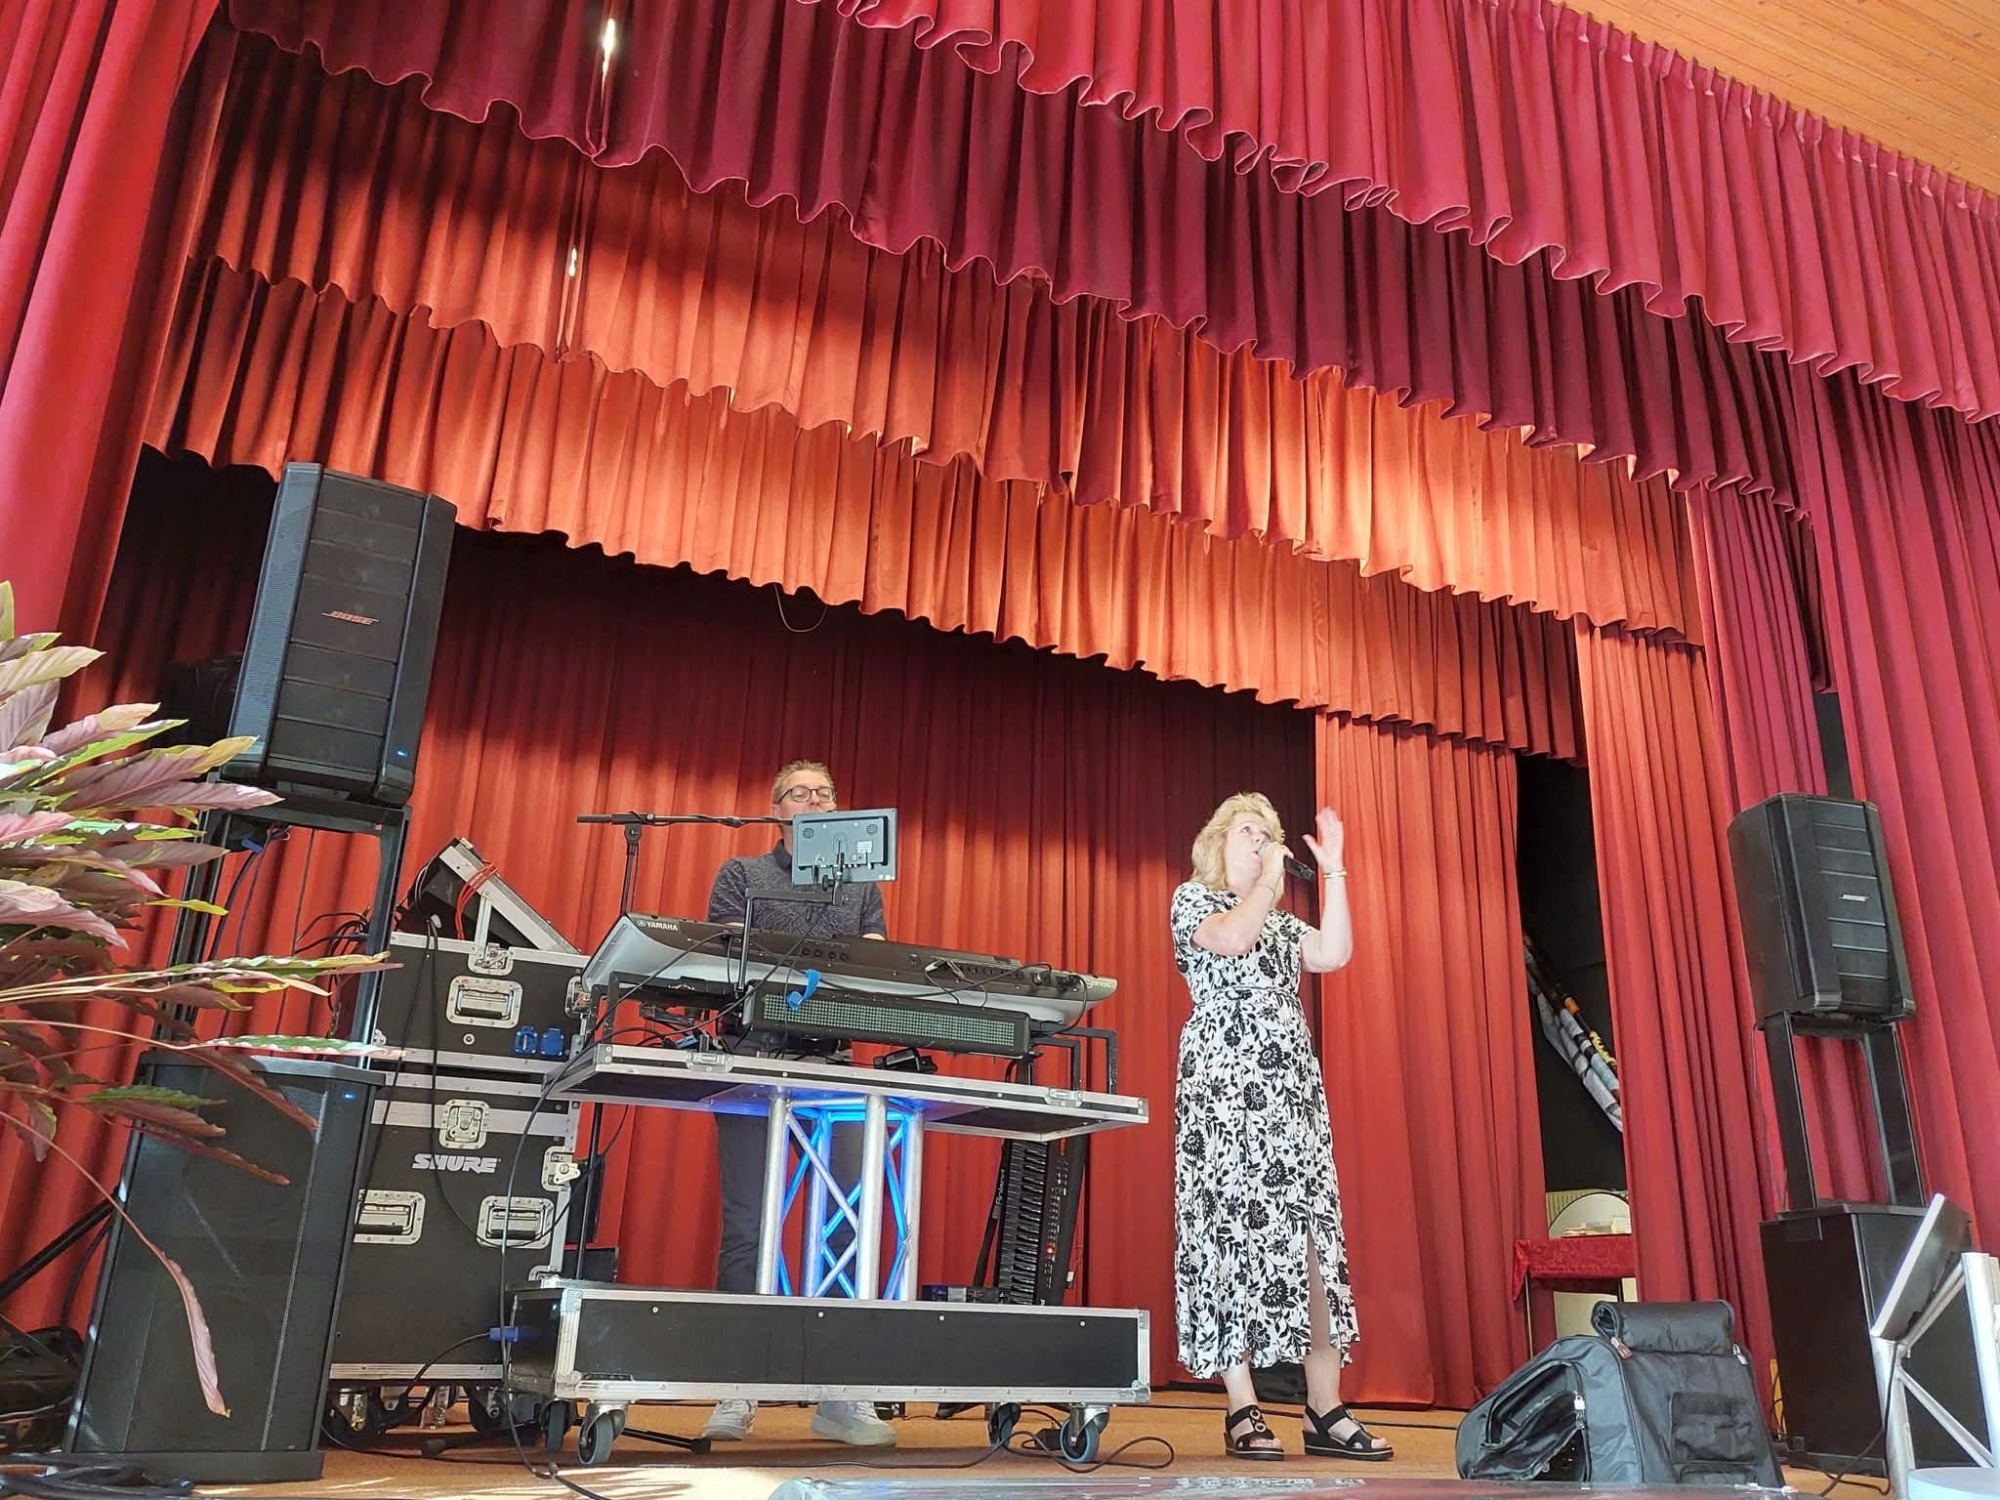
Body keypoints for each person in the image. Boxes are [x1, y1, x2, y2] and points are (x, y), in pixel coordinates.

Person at [1169, 793, 1392, 1463]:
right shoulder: (1194, 902)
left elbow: (1335, 952)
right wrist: (1268, 881)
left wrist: (1336, 870)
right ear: (1218, 844)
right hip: (1223, 1093)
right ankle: (1242, 1407)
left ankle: (1325, 1409)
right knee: (1225, 1233)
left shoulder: (1283, 923)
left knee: (1311, 1238)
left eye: (1268, 834)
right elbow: (1234, 939)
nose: (1262, 841)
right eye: (1248, 831)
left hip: (1290, 1096)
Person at [697, 760, 896, 1448]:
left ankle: (841, 1395)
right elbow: (728, 961)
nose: (816, 801)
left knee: (848, 1224)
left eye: (826, 794)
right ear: (776, 809)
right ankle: (736, 1384)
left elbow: (870, 967)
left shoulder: (862, 884)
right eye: (801, 793)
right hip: (752, 1059)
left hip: (833, 1064)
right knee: (748, 1224)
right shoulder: (741, 874)